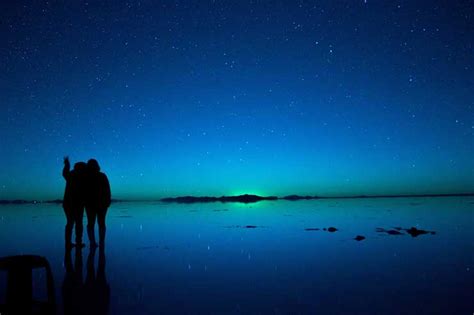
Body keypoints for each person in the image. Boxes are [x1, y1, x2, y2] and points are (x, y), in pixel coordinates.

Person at [85, 159, 111, 248]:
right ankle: (99, 242)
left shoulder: (87, 177)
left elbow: (107, 189)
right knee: (100, 223)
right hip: (98, 204)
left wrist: (108, 200)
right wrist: (108, 201)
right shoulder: (101, 176)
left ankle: (94, 242)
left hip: (94, 204)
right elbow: (107, 189)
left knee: (92, 223)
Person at [63, 157, 87, 249]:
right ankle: (78, 242)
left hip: (68, 203)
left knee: (70, 223)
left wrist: (67, 164)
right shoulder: (82, 176)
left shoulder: (71, 174)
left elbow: (64, 173)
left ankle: (68, 243)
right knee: (78, 223)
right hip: (76, 203)